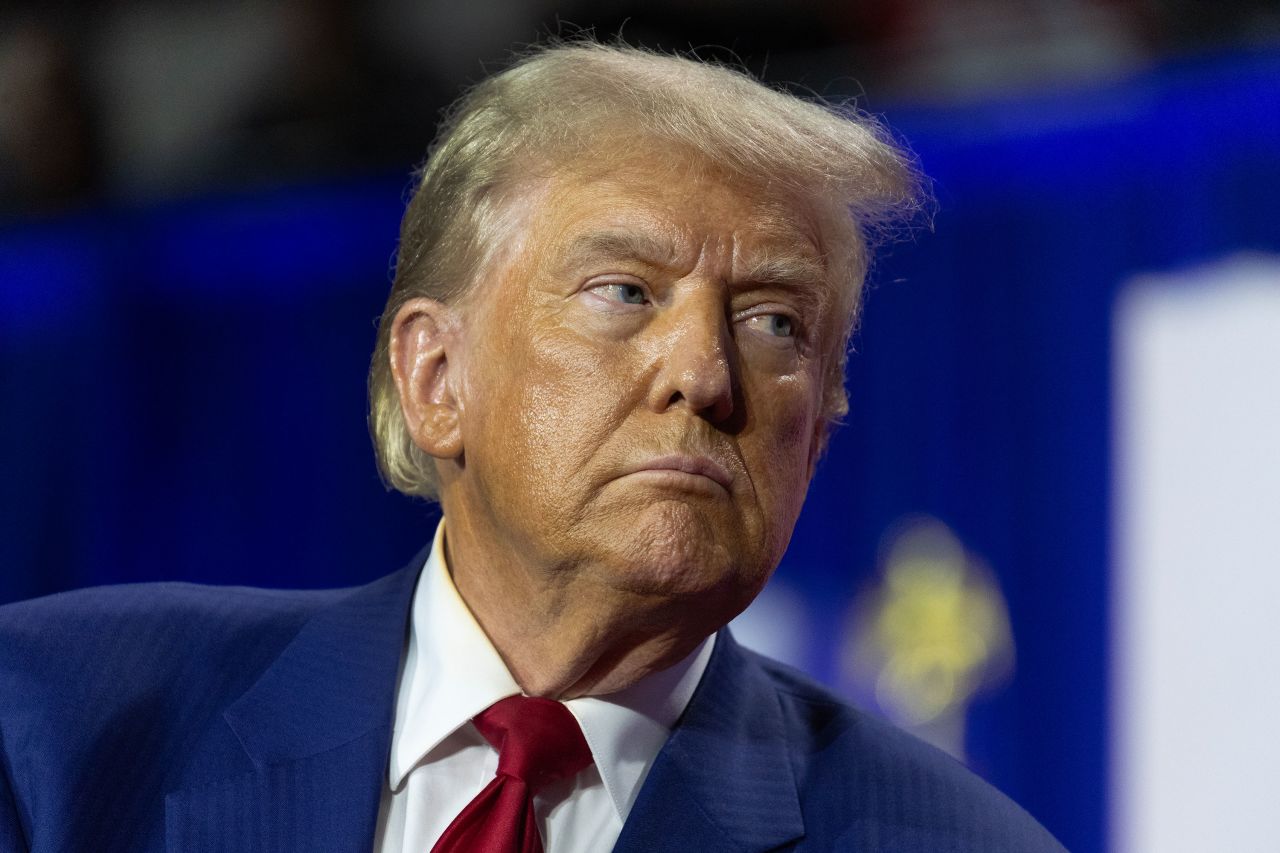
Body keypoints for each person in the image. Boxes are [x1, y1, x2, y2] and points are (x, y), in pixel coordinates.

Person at [0, 42, 1066, 853]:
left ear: (819, 435)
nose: (701, 373)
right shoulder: (56, 723)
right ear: (435, 378)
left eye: (774, 322)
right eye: (624, 292)